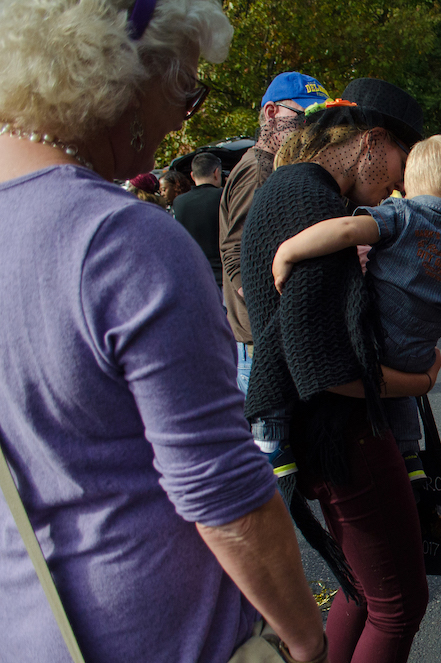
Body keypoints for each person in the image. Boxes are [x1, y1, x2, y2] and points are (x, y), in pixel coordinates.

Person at [0, 1, 326, 661]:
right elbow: (221, 489)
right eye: (184, 86)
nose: (183, 114)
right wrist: (304, 637)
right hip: (164, 630)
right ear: (118, 72)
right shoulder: (121, 239)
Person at [240, 80, 440, 663]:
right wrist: (418, 382)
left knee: (363, 593)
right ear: (372, 142)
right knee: (400, 603)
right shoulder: (310, 196)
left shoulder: (299, 189)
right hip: (342, 433)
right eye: (400, 163)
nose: (398, 184)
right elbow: (322, 368)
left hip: (326, 437)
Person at [270, 134, 441, 484]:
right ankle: (410, 453)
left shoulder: (402, 214)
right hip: (414, 358)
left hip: (368, 340)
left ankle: (273, 434)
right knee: (413, 380)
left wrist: (289, 251)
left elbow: (348, 229)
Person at [219, 70, 330, 397]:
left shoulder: (276, 165)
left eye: (319, 118)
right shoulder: (258, 168)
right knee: (270, 443)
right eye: (303, 117)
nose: (312, 128)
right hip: (262, 344)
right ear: (271, 113)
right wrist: (270, 305)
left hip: (268, 339)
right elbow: (236, 253)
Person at [173, 152, 225, 287]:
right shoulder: (223, 198)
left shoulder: (179, 202)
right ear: (216, 172)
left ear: (192, 175)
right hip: (223, 276)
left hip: (194, 275)